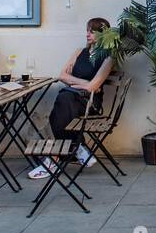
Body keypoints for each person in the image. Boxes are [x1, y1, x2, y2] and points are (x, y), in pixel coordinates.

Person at [29, 17, 113, 180]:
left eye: (93, 31)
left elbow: (93, 88)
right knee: (64, 101)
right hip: (71, 99)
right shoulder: (79, 52)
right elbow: (62, 75)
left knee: (63, 100)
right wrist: (84, 82)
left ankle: (55, 159)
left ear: (104, 35)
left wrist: (76, 82)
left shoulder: (108, 58)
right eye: (87, 30)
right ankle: (76, 146)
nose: (88, 34)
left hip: (90, 104)